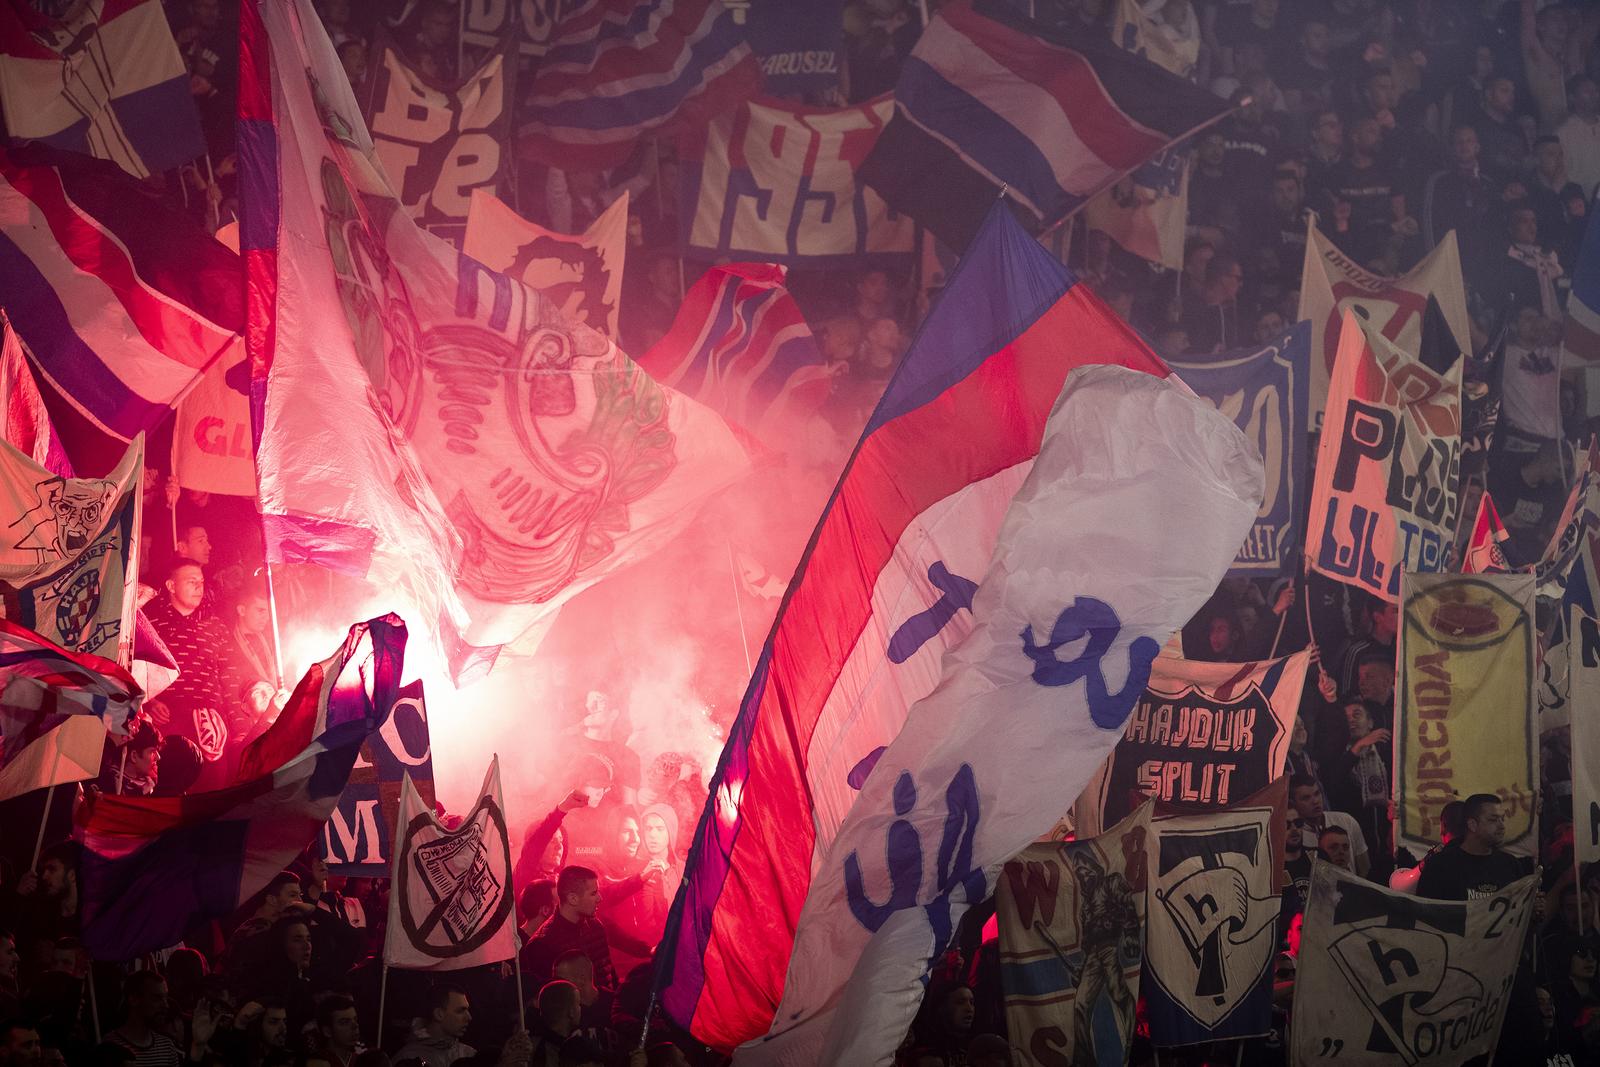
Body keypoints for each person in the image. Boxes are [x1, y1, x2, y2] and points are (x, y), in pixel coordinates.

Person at [144, 558, 232, 778]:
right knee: (172, 778)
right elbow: (138, 668)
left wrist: (233, 720)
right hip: (170, 715)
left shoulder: (215, 625)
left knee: (214, 782)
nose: (198, 587)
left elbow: (228, 675)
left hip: (212, 717)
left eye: (201, 581)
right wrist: (150, 701)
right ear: (171, 586)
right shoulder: (153, 622)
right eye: (191, 581)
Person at [520, 868, 621, 993]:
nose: (600, 898)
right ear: (573, 898)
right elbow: (553, 1002)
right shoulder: (542, 943)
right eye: (593, 893)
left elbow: (609, 973)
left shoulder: (596, 926)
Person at [1417, 794, 1530, 900]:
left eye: (1502, 819)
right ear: (1472, 825)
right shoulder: (1440, 866)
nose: (1502, 826)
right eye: (1493, 820)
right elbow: (1427, 914)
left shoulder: (1511, 865)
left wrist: (1533, 909)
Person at [1289, 774, 1370, 878]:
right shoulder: (1295, 837)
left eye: (1317, 794)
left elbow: (1365, 869)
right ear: (1293, 803)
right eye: (1306, 798)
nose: (1315, 801)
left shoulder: (1346, 821)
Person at [107, 972, 189, 1066]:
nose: (166, 1005)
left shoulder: (167, 1047)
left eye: (165, 998)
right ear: (134, 999)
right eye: (157, 998)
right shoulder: (111, 1046)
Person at [1557, 75, 1600, 198]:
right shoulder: (1563, 133)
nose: (1594, 95)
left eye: (1596, 91)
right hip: (1585, 203)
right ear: (1572, 98)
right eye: (1587, 91)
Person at [529, 981, 580, 1067]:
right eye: (578, 1004)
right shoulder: (568, 1052)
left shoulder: (531, 1045)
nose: (580, 1008)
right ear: (571, 1012)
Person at [313, 995, 363, 1067]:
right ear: (327, 1031)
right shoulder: (316, 1062)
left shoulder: (362, 1059)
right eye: (345, 1022)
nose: (355, 1026)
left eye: (355, 1019)